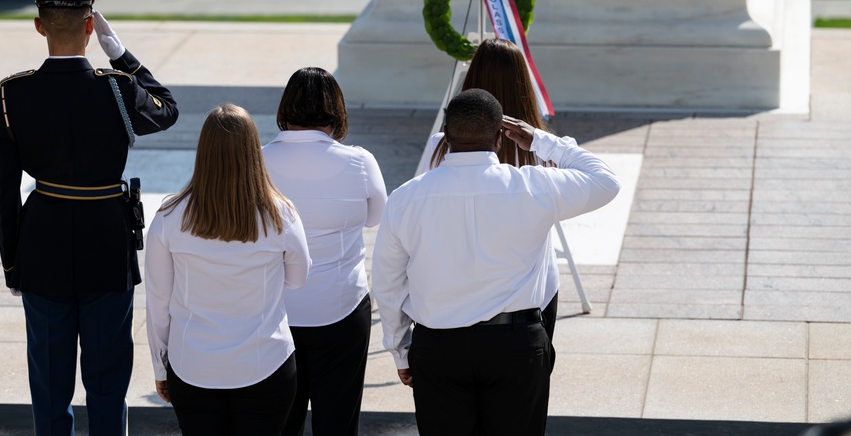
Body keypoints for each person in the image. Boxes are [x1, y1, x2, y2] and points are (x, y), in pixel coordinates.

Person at [372, 88, 620, 436]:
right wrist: (541, 141)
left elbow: (387, 283)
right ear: (500, 137)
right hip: (515, 346)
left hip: (440, 348)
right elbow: (605, 181)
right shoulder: (533, 186)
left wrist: (400, 351)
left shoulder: (407, 197)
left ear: (446, 135)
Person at [0, 0, 179, 435]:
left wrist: (13, 264)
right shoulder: (116, 88)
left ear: (39, 27)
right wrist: (123, 56)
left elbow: (4, 189)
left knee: (51, 382)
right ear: (91, 26)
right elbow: (167, 109)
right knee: (108, 379)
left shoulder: (13, 94)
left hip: (41, 248)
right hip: (106, 245)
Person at [145, 104, 312, 436]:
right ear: (253, 151)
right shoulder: (282, 215)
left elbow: (158, 303)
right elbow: (298, 278)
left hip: (193, 366)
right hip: (266, 363)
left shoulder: (168, 216)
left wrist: (160, 367)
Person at [416, 38, 562, 387]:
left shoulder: (443, 143)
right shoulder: (540, 145)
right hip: (531, 289)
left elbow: (422, 196)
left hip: (456, 279)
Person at [261, 67, 388, 436]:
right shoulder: (360, 162)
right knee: (339, 422)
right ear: (337, 109)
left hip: (275, 312)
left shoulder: (257, 159)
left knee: (282, 423)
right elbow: (375, 217)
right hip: (342, 309)